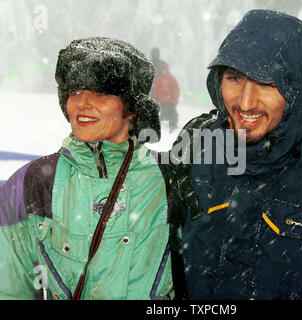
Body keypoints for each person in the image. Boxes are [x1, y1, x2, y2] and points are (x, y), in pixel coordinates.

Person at [169, 10, 302, 300]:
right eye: (234, 78)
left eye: (267, 83)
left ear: (295, 89)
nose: (245, 102)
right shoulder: (197, 159)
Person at [0, 37, 174, 300]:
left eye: (100, 93)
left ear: (132, 108)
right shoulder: (32, 184)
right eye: (75, 92)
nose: (82, 103)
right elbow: (10, 289)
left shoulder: (173, 181)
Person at [152, 63, 180, 131]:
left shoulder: (171, 78)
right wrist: (155, 99)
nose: (164, 71)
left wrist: (175, 98)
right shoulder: (159, 79)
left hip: (170, 101)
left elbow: (176, 89)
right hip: (162, 101)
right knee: (163, 114)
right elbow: (156, 90)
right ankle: (163, 127)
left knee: (173, 114)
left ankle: (173, 125)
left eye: (165, 70)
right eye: (163, 70)